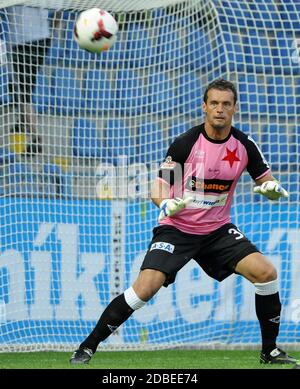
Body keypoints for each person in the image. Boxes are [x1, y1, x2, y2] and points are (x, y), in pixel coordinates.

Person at [70, 78, 296, 366]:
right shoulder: (186, 144)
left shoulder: (244, 145)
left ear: (234, 108)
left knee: (266, 272)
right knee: (146, 287)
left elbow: (268, 183)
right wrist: (166, 204)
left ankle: (270, 351)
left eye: (226, 104)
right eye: (214, 103)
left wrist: (272, 190)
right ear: (204, 107)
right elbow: (158, 189)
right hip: (177, 228)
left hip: (217, 230)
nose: (219, 109)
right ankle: (87, 346)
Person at [6, 5, 51, 151]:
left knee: (23, 89)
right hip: (42, 38)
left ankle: (35, 138)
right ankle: (22, 119)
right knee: (22, 85)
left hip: (21, 40)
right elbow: (57, 11)